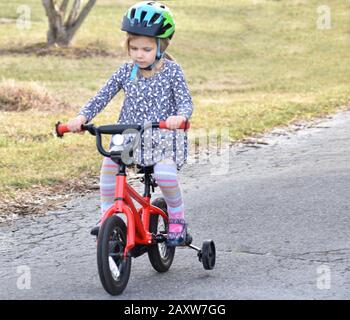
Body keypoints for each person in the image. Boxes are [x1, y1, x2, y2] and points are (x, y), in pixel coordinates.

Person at [67, 1, 193, 246]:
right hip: (128, 135)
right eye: (133, 48)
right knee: (109, 165)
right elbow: (102, 96)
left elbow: (185, 102)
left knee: (165, 175)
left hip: (163, 136)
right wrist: (82, 118)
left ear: (161, 46)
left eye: (146, 49)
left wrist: (180, 117)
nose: (138, 54)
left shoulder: (173, 71)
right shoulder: (126, 71)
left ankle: (177, 218)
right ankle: (107, 215)